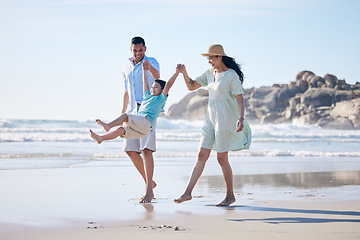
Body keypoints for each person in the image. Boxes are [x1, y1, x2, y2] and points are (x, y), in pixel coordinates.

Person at [174, 44, 252, 206]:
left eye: (211, 57)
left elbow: (240, 99)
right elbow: (191, 86)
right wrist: (183, 73)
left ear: (220, 57)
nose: (209, 60)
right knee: (201, 156)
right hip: (210, 120)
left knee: (222, 159)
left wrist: (241, 118)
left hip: (225, 121)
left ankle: (230, 195)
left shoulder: (231, 76)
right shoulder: (210, 74)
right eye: (208, 57)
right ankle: (187, 193)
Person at [90, 62, 180, 203]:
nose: (152, 89)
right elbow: (145, 82)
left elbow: (168, 84)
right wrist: (144, 71)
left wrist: (177, 73)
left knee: (125, 116)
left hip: (146, 123)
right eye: (152, 87)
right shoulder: (147, 95)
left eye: (156, 87)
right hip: (140, 126)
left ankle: (108, 126)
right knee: (121, 130)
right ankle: (102, 138)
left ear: (162, 90)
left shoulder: (161, 98)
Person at [122, 36, 160, 203]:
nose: (138, 53)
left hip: (147, 110)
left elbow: (157, 76)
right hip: (132, 111)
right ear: (131, 49)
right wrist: (123, 113)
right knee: (130, 150)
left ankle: (148, 192)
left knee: (146, 150)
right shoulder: (126, 66)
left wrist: (149, 67)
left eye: (141, 50)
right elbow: (126, 92)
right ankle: (150, 182)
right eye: (135, 50)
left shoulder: (151, 61)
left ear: (145, 49)